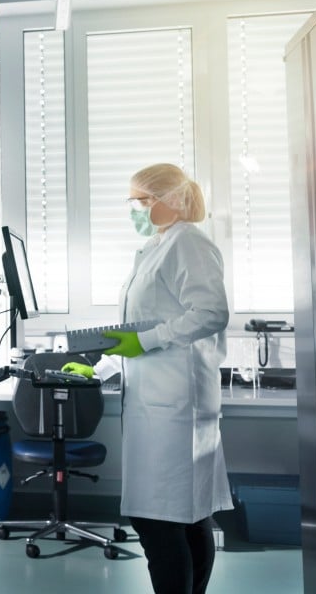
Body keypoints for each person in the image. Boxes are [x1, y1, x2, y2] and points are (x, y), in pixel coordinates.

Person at [63, 163, 232, 594]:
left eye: (140, 201)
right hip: (159, 402)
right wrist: (99, 367)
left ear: (168, 200)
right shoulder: (159, 246)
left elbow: (211, 313)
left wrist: (147, 341)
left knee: (162, 519)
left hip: (176, 406)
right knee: (183, 516)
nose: (135, 210)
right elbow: (142, 330)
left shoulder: (189, 243)